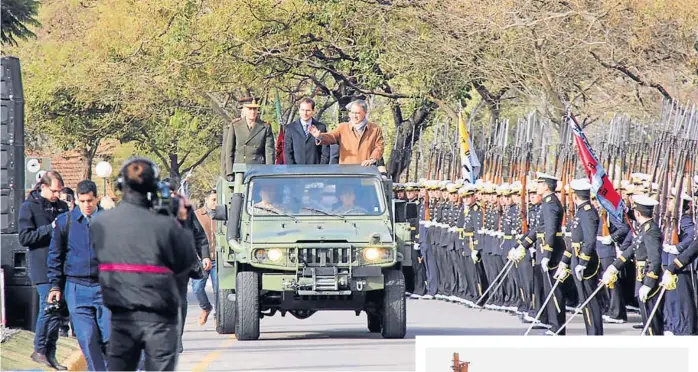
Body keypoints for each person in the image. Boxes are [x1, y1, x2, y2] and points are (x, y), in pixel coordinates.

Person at [91, 157, 202, 370]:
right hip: (159, 318)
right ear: (154, 187)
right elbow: (186, 262)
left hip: (121, 316)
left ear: (121, 186)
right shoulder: (167, 226)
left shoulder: (100, 223)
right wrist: (180, 219)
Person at [47, 180, 110, 370]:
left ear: (97, 198)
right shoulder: (65, 221)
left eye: (90, 200)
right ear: (77, 200)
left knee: (111, 337)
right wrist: (55, 285)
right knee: (88, 338)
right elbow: (55, 255)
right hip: (77, 288)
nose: (86, 205)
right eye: (82, 201)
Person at [18, 170, 70, 370]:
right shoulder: (29, 207)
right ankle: (39, 349)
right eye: (54, 191)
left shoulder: (62, 207)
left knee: (57, 311)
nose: (57, 195)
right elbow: (25, 238)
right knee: (48, 307)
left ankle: (51, 353)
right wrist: (50, 227)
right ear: (43, 187)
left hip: (62, 265)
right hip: (42, 265)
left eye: (60, 191)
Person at [601, 194, 664, 335]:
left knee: (652, 321)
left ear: (637, 213)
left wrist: (648, 283)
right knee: (647, 318)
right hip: (641, 277)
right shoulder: (644, 229)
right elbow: (631, 250)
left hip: (648, 278)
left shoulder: (651, 231)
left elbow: (655, 260)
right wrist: (614, 267)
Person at [554, 178, 603, 335]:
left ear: (575, 196)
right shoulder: (581, 212)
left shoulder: (587, 212)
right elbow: (574, 242)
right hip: (577, 258)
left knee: (590, 300)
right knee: (585, 301)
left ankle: (594, 334)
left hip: (586, 262)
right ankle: (590, 332)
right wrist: (564, 261)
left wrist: (583, 262)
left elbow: (589, 241)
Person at [308, 99, 384, 165]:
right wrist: (320, 136)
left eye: (357, 113)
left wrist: (372, 159)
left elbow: (379, 147)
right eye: (352, 112)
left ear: (365, 112)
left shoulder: (375, 129)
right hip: (347, 171)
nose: (354, 116)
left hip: (366, 171)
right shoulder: (343, 127)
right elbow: (332, 136)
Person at [224, 98, 276, 178]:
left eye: (255, 109)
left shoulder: (265, 127)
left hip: (257, 170)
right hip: (239, 170)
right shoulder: (236, 126)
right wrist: (230, 173)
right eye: (250, 109)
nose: (253, 112)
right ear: (244, 110)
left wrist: (269, 171)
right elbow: (229, 151)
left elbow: (269, 152)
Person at [193, 190, 218, 326]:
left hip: (219, 259)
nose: (216, 203)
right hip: (201, 258)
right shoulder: (196, 215)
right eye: (213, 199)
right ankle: (206, 308)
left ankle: (218, 316)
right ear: (206, 200)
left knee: (219, 289)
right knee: (197, 288)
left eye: (218, 199)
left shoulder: (224, 215)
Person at [283, 98, 330, 164]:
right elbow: (287, 152)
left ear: (313, 111)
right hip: (296, 170)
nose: (305, 113)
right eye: (302, 110)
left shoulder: (321, 127)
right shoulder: (290, 128)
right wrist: (292, 170)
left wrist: (321, 168)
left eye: (308, 110)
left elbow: (325, 152)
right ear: (299, 110)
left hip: (316, 170)